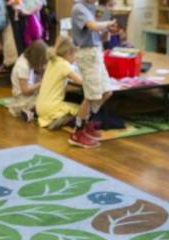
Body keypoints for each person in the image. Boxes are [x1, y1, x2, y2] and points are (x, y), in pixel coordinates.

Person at [70, 0, 115, 147]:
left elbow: (98, 35)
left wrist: (108, 30)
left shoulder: (91, 8)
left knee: (107, 91)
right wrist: (107, 23)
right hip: (87, 54)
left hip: (96, 52)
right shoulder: (78, 8)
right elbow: (93, 26)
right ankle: (77, 133)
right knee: (91, 95)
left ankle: (86, 122)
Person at [35, 36, 87, 145]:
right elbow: (81, 81)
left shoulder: (52, 61)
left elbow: (59, 85)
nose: (75, 60)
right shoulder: (64, 64)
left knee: (70, 103)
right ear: (69, 53)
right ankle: (59, 119)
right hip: (51, 107)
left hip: (39, 107)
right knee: (81, 110)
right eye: (75, 56)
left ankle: (53, 119)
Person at [8, 40, 48, 122]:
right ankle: (26, 111)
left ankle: (29, 112)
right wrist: (40, 84)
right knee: (45, 103)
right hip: (22, 99)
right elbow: (25, 91)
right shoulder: (23, 66)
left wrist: (43, 70)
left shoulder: (26, 58)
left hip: (27, 96)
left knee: (45, 100)